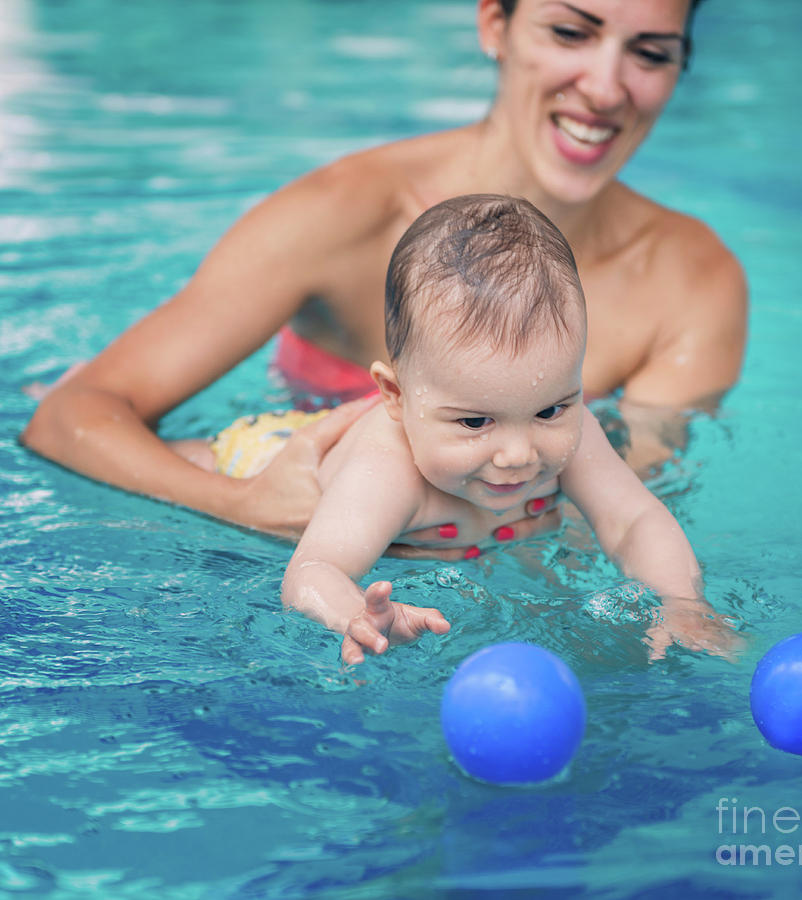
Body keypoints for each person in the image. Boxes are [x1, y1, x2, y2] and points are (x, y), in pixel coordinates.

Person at [21, 0, 747, 553]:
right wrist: (243, 504)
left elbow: (614, 512)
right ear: (494, 24)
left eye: (650, 54)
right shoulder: (342, 217)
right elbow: (67, 417)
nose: (605, 87)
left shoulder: (692, 282)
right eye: (569, 33)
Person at [176, 194, 739, 664]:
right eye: (474, 421)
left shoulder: (578, 429)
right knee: (196, 458)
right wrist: (356, 615)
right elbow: (312, 569)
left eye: (550, 410)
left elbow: (635, 519)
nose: (519, 454)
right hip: (265, 450)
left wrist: (680, 601)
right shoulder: (385, 469)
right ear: (395, 397)